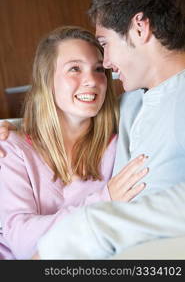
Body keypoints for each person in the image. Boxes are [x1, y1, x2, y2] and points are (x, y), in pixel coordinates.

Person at [32, 0, 185, 259]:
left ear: (140, 27)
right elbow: (75, 117)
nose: (108, 62)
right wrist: (11, 130)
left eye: (105, 44)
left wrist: (89, 229)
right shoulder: (132, 102)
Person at [0, 25, 148, 260]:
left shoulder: (118, 147)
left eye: (99, 69)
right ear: (47, 79)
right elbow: (23, 244)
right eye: (75, 69)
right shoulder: (13, 149)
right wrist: (103, 202)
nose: (91, 80)